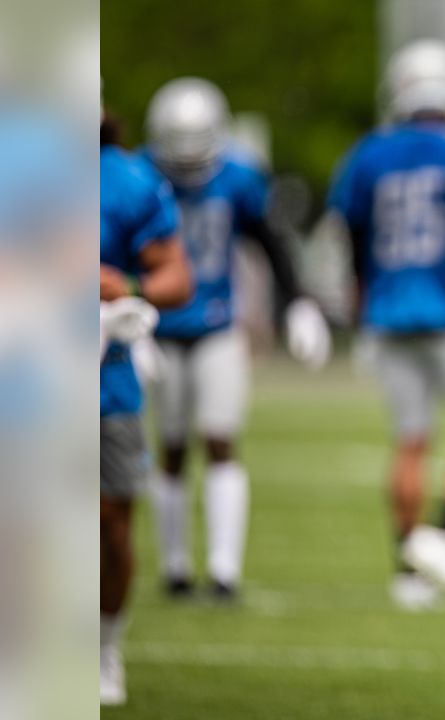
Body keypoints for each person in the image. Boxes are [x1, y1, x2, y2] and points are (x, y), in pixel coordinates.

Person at [329, 39, 445, 611]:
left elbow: (353, 238)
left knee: (411, 440)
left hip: (388, 313)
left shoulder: (368, 155)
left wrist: (361, 307)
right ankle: (443, 536)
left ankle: (406, 572)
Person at [142, 77, 332, 600]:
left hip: (216, 324)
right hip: (155, 327)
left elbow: (271, 242)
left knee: (221, 438)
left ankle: (224, 572)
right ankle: (175, 567)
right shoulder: (138, 174)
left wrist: (297, 301)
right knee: (173, 445)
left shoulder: (239, 176)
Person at [100, 122, 193, 704]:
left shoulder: (129, 179)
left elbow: (178, 277)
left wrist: (128, 287)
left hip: (105, 377)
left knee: (111, 525)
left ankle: (104, 645)